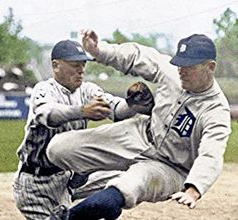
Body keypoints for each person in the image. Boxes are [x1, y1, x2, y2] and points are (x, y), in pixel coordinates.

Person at [46, 30, 232, 220]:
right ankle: (92, 173)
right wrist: (99, 50)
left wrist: (194, 188)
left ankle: (68, 217)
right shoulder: (172, 73)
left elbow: (211, 154)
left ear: (210, 66)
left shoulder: (216, 110)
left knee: (124, 189)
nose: (181, 70)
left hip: (170, 168)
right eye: (179, 63)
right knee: (57, 148)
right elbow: (136, 56)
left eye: (189, 66)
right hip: (140, 134)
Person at [13, 39, 154, 220]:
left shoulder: (87, 90)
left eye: (83, 64)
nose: (81, 70)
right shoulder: (44, 89)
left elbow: (116, 110)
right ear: (56, 66)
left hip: (69, 178)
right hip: (37, 184)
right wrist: (81, 111)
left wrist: (133, 104)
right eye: (74, 65)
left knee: (123, 180)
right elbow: (48, 114)